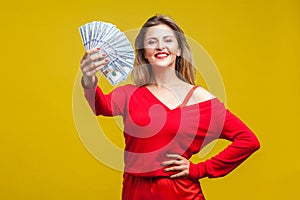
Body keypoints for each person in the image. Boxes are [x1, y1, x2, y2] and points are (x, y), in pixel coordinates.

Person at [80, 14, 260, 200]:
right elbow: (100, 106)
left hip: (181, 193)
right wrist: (89, 79)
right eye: (152, 41)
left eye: (168, 40)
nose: (160, 46)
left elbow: (248, 140)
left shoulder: (200, 99)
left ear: (179, 49)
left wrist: (200, 169)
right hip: (135, 193)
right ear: (143, 53)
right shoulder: (129, 94)